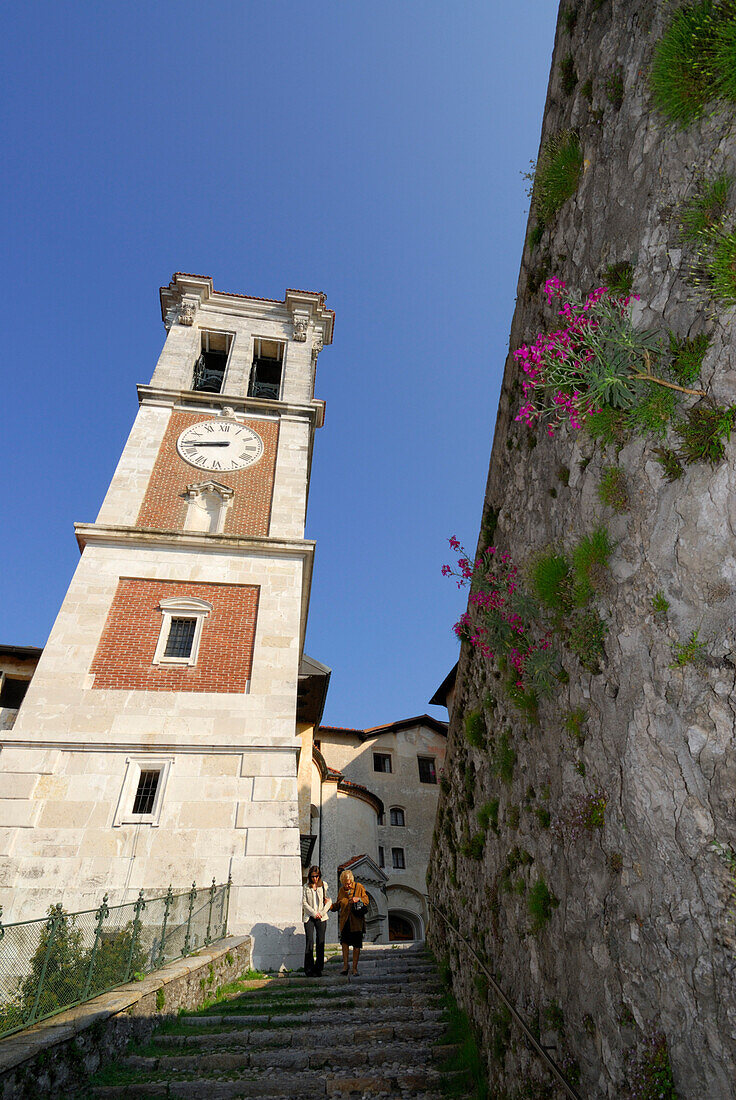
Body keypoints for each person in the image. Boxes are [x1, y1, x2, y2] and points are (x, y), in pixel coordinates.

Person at [332, 868, 369, 976]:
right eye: (345, 884)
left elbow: (366, 900)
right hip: (345, 921)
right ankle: (345, 966)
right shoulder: (341, 891)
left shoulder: (359, 887)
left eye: (348, 884)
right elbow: (338, 904)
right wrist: (329, 906)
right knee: (344, 943)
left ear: (351, 881)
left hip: (356, 922)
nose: (347, 886)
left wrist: (358, 899)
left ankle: (354, 968)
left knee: (356, 945)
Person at [302, 865, 331, 976]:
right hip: (309, 916)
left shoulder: (324, 885)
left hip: (321, 916)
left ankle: (318, 968)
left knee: (320, 942)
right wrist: (314, 913)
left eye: (317, 876)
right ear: (310, 876)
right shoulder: (306, 887)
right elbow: (304, 903)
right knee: (310, 941)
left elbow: (328, 901)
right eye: (313, 876)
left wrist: (321, 913)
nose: (315, 879)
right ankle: (308, 969)